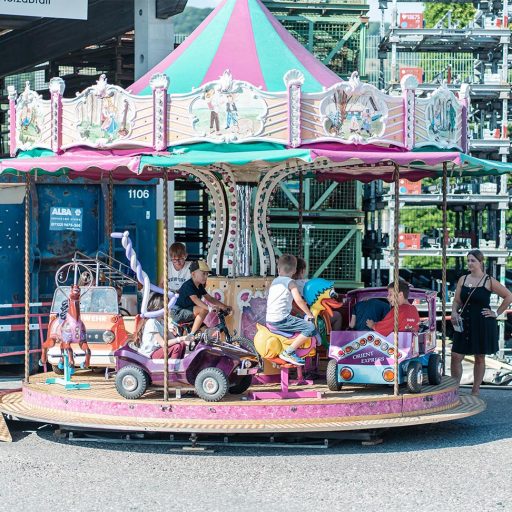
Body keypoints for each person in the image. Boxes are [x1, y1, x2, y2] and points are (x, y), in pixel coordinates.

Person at [450, 250, 512, 396]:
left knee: (479, 357)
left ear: (480, 262)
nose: (469, 263)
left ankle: (475, 390)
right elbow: (457, 300)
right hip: (464, 321)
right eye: (468, 260)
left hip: (482, 322)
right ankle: (454, 389)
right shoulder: (463, 279)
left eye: (473, 260)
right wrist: (453, 312)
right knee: (456, 356)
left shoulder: (488, 280)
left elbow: (508, 296)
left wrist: (496, 313)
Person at [266, 254, 317, 366]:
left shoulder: (275, 281)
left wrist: (301, 313)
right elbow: (299, 300)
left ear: (278, 269)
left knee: (300, 320)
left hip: (270, 319)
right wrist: (310, 315)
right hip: (281, 320)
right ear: (294, 270)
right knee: (310, 327)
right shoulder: (291, 283)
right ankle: (288, 352)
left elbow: (285, 304)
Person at [172, 259, 230, 335]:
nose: (206, 277)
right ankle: (191, 335)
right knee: (203, 310)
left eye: (207, 274)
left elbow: (210, 298)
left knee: (209, 334)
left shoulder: (199, 286)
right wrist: (209, 308)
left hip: (189, 313)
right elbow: (195, 300)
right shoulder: (188, 285)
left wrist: (224, 307)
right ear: (193, 274)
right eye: (203, 274)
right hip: (178, 313)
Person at [133, 293, 190, 359]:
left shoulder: (162, 322)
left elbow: (173, 339)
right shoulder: (152, 322)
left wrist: (186, 340)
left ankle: (179, 364)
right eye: (168, 308)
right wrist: (180, 339)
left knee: (181, 345)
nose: (170, 310)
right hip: (150, 354)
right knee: (177, 347)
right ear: (160, 308)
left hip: (158, 351)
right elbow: (163, 344)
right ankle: (173, 367)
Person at [292, 257, 343, 331]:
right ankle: (333, 340)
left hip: (294, 317)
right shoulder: (310, 284)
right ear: (302, 270)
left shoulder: (288, 284)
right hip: (312, 317)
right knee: (337, 316)